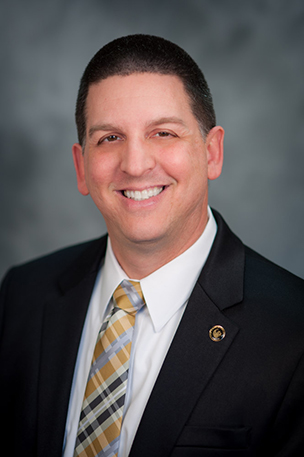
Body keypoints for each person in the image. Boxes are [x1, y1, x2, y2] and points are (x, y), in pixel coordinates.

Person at [0, 34, 303, 457]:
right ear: (81, 166)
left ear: (212, 153)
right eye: (109, 138)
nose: (136, 164)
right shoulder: (21, 295)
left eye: (163, 133)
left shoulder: (293, 332)